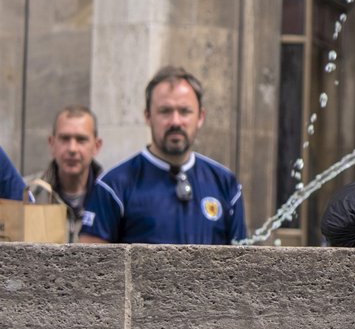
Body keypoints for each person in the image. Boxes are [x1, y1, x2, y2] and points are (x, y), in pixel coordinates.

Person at [80, 67, 245, 245]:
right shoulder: (113, 186)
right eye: (165, 111)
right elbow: (90, 263)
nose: (175, 121)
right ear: (148, 116)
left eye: (184, 111)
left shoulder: (225, 184)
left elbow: (243, 261)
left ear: (200, 117)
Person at [39, 107, 106, 241]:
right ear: (52, 143)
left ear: (96, 146)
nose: (72, 149)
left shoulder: (111, 196)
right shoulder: (31, 195)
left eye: (81, 140)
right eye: (64, 139)